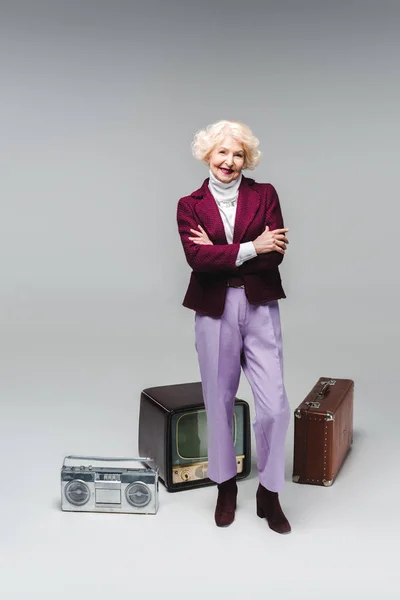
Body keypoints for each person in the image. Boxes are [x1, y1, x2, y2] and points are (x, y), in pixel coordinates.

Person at [176, 120, 291, 534]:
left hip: (259, 305)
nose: (229, 161)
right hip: (213, 309)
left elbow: (273, 256)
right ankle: (225, 486)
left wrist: (222, 252)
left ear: (247, 159)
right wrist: (249, 247)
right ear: (208, 154)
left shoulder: (265, 195)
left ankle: (269, 492)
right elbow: (197, 260)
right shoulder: (189, 205)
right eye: (222, 152)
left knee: (276, 406)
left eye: (238, 154)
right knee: (218, 400)